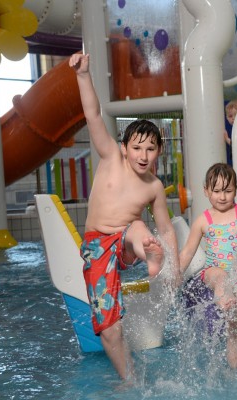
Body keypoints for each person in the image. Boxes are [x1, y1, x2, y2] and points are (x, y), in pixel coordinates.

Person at [69, 53, 180, 380]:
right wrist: (83, 74)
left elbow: (166, 228)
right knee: (109, 330)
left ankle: (150, 255)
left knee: (138, 226)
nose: (143, 156)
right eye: (137, 148)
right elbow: (92, 114)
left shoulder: (154, 186)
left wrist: (171, 266)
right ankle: (129, 380)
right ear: (124, 147)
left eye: (151, 149)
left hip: (128, 245)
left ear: (159, 151)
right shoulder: (110, 157)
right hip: (97, 247)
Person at [179, 163, 237, 369]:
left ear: (236, 190)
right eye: (216, 191)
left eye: (228, 190)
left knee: (235, 326)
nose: (222, 196)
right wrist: (175, 273)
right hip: (212, 273)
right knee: (220, 276)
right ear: (206, 191)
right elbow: (188, 251)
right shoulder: (202, 220)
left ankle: (234, 368)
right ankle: (224, 298)